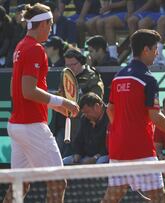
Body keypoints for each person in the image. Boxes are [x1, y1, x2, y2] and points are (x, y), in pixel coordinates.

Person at [102, 29, 165, 203]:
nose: (157, 53)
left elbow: (109, 110)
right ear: (145, 50)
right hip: (140, 148)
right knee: (159, 198)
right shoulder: (148, 79)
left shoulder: (118, 76)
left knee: (111, 198)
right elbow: (155, 116)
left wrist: (122, 129)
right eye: (155, 49)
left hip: (118, 146)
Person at [4, 3, 79, 203]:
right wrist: (62, 101)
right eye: (50, 23)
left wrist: (56, 104)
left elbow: (17, 89)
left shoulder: (21, 46)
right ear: (44, 24)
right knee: (57, 183)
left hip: (17, 126)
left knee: (20, 185)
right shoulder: (36, 49)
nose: (52, 28)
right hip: (32, 127)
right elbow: (28, 91)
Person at [55, 48, 105, 157]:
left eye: (73, 64)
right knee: (59, 157)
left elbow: (96, 99)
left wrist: (77, 100)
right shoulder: (66, 76)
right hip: (66, 123)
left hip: (84, 124)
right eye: (67, 65)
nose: (70, 68)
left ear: (82, 62)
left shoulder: (92, 77)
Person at [63, 92, 109, 165]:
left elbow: (109, 145)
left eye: (87, 112)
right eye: (84, 113)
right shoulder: (85, 119)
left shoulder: (110, 116)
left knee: (100, 162)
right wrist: (77, 154)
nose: (86, 115)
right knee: (64, 162)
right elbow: (78, 139)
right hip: (86, 156)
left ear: (97, 106)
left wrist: (95, 158)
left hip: (103, 156)